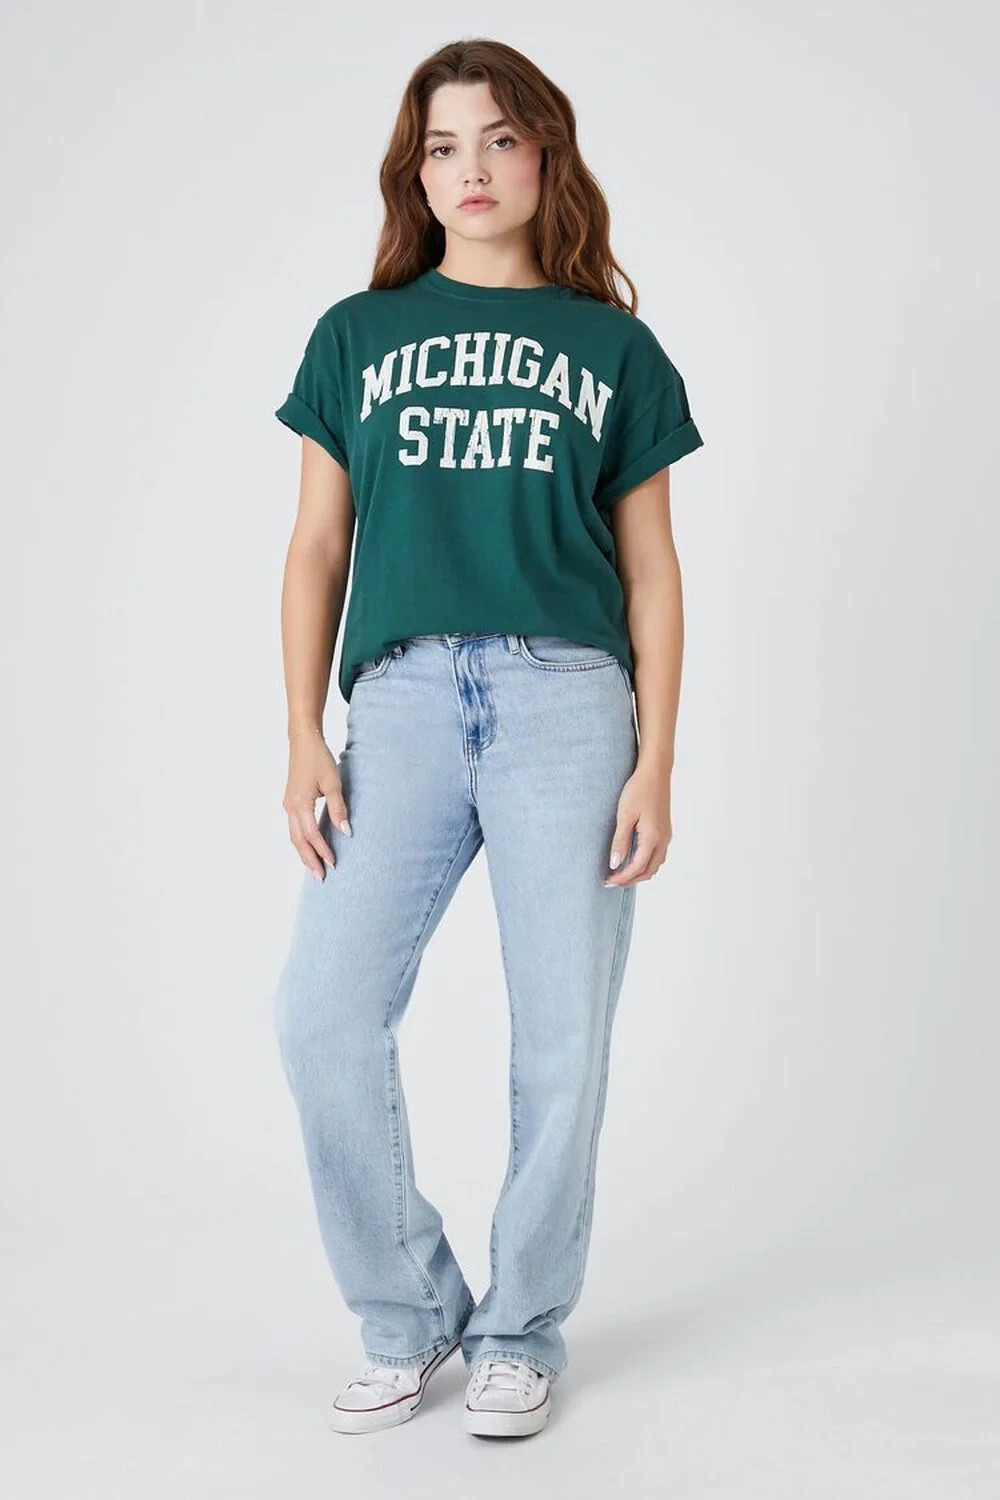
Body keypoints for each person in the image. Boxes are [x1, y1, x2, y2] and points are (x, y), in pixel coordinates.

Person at [270, 37, 704, 1440]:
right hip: (396, 707)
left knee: (562, 1037)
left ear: (545, 157)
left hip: (567, 706)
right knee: (323, 1016)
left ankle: (521, 1331)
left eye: (501, 139)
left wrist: (656, 758)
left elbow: (652, 570)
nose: (472, 169)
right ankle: (410, 1315)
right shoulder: (356, 335)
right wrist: (302, 733)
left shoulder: (614, 348)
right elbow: (316, 547)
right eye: (444, 146)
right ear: (415, 173)